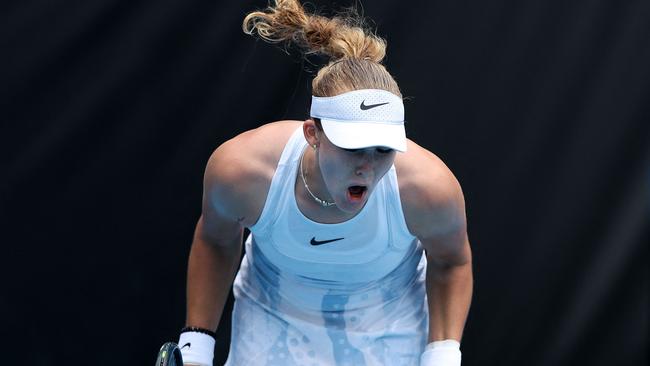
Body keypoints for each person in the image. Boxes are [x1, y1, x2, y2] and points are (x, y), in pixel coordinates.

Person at [177, 1, 473, 365]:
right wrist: (196, 346)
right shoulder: (244, 170)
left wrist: (443, 355)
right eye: (352, 147)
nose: (367, 166)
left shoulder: (428, 188)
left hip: (388, 332)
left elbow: (451, 261)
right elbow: (216, 240)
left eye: (383, 149)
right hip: (271, 323)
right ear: (313, 133)